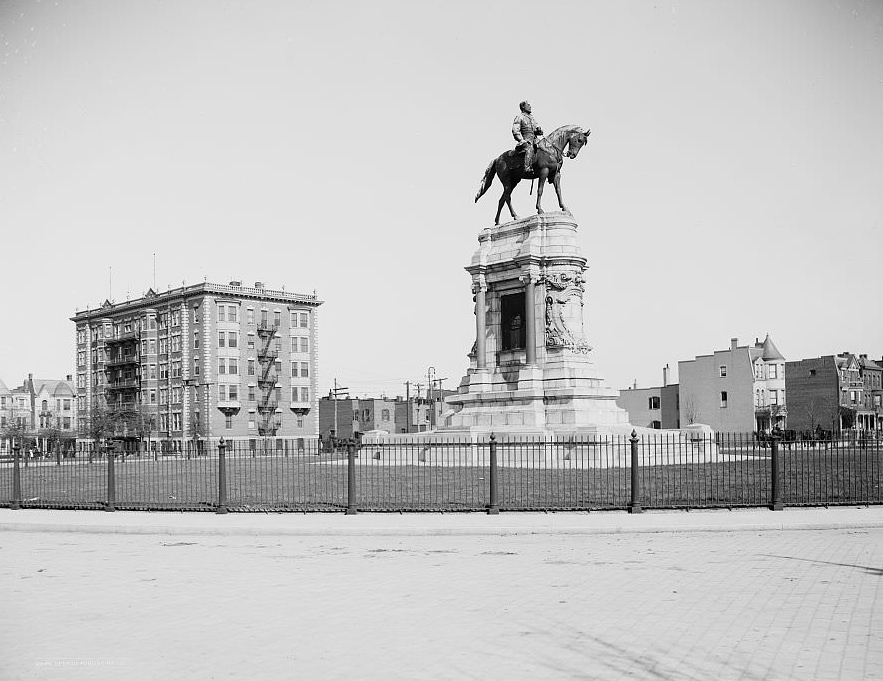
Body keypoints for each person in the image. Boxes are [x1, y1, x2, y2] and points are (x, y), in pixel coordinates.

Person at [512, 101, 543, 175]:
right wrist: (522, 140)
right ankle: (527, 167)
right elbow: (515, 131)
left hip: (535, 140)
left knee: (545, 147)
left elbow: (536, 128)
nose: (530, 106)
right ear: (523, 107)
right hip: (526, 140)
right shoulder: (520, 117)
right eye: (528, 105)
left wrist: (539, 130)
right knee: (529, 148)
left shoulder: (532, 118)